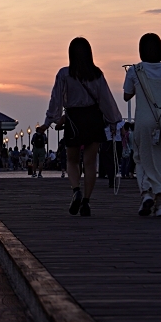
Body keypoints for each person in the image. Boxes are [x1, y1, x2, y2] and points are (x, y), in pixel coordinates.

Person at [38, 37, 123, 216]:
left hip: (74, 118)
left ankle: (76, 190)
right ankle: (86, 201)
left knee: (72, 160)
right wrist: (114, 121)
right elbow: (106, 100)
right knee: (90, 163)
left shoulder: (64, 74)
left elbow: (56, 100)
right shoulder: (97, 74)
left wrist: (48, 122)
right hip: (93, 117)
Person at [123, 33, 161, 217]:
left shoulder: (135, 70)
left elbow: (126, 95)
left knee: (141, 159)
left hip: (143, 121)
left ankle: (146, 192)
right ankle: (160, 205)